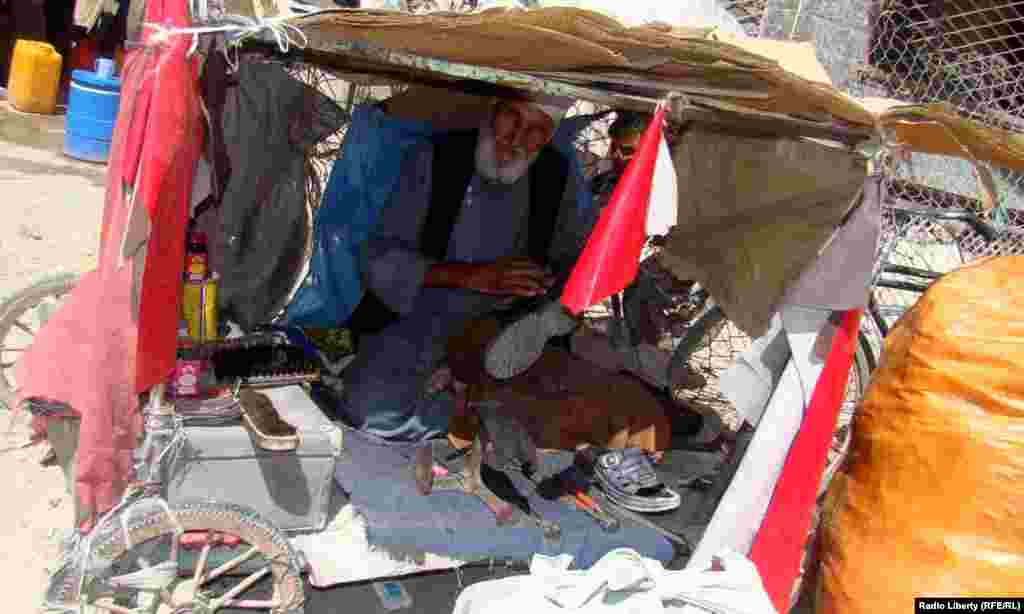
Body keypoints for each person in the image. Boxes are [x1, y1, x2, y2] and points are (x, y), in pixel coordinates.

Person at [322, 94, 673, 459]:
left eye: (536, 130)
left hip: (505, 331)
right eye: (512, 118)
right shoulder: (437, 158)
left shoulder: (555, 175)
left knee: (635, 419)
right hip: (421, 319)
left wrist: (552, 294)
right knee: (371, 407)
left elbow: (574, 262)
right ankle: (475, 419)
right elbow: (379, 258)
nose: (517, 139)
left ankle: (489, 410)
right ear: (492, 111)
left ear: (549, 136)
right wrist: (473, 276)